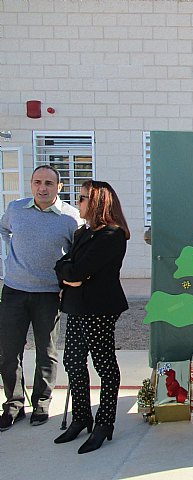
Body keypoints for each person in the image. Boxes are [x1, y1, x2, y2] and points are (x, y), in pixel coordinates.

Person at [0, 165, 82, 430]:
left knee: (46, 351)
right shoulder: (16, 209)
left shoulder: (71, 218)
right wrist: (10, 259)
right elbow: (4, 230)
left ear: (59, 187)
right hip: (14, 290)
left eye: (48, 183)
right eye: (37, 182)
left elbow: (77, 255)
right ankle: (13, 406)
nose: (42, 188)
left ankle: (41, 402)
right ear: (31, 184)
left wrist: (65, 283)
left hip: (48, 294)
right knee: (8, 351)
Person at [53, 180, 129, 454]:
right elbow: (64, 266)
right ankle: (81, 416)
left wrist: (71, 273)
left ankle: (104, 423)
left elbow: (75, 270)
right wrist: (70, 273)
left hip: (99, 309)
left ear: (98, 203)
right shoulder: (81, 233)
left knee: (104, 365)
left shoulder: (112, 235)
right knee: (73, 361)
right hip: (75, 307)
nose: (79, 202)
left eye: (84, 198)